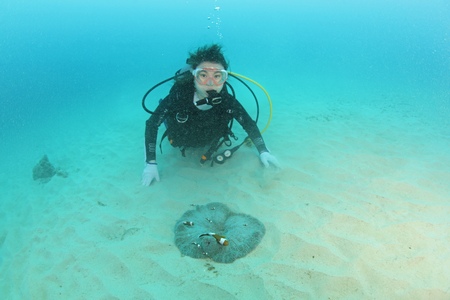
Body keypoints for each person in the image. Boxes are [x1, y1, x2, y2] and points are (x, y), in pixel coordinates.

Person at [142, 44, 278, 186]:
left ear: (224, 78)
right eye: (203, 75)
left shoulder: (227, 101)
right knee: (166, 117)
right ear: (194, 76)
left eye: (217, 76)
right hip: (179, 138)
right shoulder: (178, 98)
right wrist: (150, 163)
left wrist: (264, 151)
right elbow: (152, 124)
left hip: (209, 141)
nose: (210, 83)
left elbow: (248, 123)